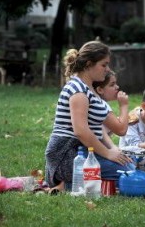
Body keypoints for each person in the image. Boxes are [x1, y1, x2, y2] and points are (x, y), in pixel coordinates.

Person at [45, 41, 133, 192]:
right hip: (67, 155)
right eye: (104, 65)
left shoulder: (89, 89)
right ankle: (66, 185)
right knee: (128, 174)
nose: (107, 70)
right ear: (88, 64)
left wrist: (112, 149)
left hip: (84, 151)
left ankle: (69, 184)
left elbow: (118, 129)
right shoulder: (78, 90)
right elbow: (81, 131)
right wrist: (108, 153)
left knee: (130, 167)